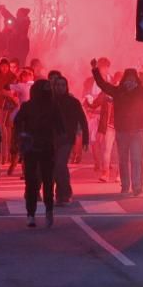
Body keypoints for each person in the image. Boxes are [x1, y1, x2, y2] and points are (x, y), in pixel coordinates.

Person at [90, 60, 143, 196]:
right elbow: (102, 84)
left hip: (137, 131)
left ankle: (137, 186)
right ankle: (125, 186)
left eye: (132, 79)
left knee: (136, 159)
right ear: (124, 79)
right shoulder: (118, 91)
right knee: (123, 160)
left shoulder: (141, 91)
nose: (130, 82)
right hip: (121, 131)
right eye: (128, 79)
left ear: (136, 79)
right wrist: (95, 70)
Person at [14, 80, 63, 227]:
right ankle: (32, 213)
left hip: (46, 147)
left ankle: (46, 210)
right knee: (33, 182)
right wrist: (21, 137)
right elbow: (17, 122)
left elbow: (60, 126)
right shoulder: (28, 106)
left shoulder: (52, 106)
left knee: (45, 182)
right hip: (32, 147)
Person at [52, 74, 88, 204]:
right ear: (54, 87)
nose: (61, 88)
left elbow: (83, 121)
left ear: (66, 87)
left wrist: (85, 140)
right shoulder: (50, 101)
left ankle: (65, 193)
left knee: (60, 164)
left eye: (63, 85)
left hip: (67, 139)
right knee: (56, 167)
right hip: (52, 139)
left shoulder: (73, 102)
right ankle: (60, 193)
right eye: (58, 85)